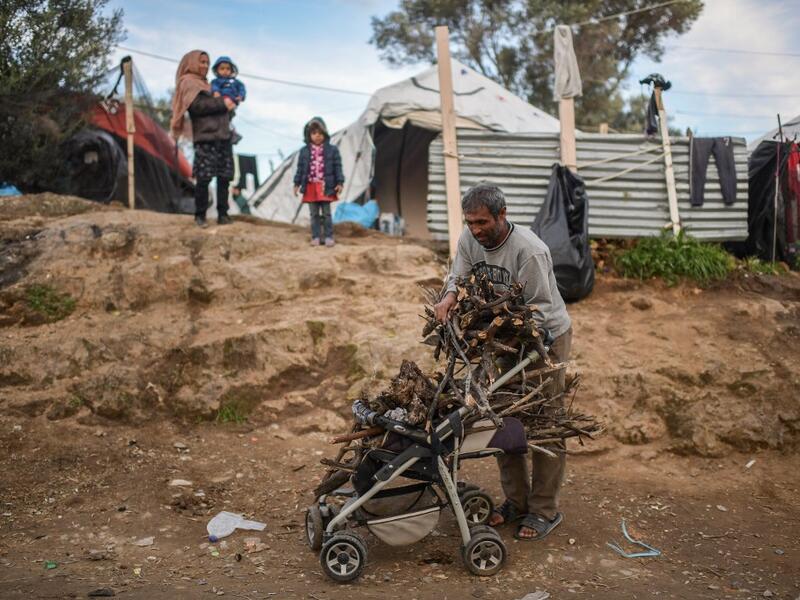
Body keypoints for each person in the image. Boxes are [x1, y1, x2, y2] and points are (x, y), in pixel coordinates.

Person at [433, 183, 572, 541]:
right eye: (470, 222)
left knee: (545, 424)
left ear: (502, 215)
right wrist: (449, 297)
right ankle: (516, 501)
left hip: (545, 341)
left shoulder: (529, 251)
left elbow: (541, 309)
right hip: (502, 338)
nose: (476, 229)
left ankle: (543, 510)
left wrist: (508, 338)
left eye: (482, 222)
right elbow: (458, 275)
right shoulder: (470, 238)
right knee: (503, 420)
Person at [170, 50, 236, 228]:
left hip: (223, 135)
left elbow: (228, 108)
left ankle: (223, 214)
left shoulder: (213, 84)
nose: (205, 66)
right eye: (202, 62)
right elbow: (197, 107)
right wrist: (223, 103)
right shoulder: (188, 83)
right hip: (205, 137)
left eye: (207, 63)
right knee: (204, 178)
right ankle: (200, 215)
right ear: (191, 63)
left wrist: (232, 104)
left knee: (224, 177)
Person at [292, 117, 344, 247]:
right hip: (310, 186)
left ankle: (328, 237)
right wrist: (296, 184)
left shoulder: (332, 150)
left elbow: (338, 166)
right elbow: (300, 169)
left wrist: (340, 182)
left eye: (320, 133)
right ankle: (315, 236)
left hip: (325, 186)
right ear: (309, 135)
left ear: (325, 134)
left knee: (326, 213)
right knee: (314, 213)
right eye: (314, 133)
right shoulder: (304, 151)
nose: (317, 136)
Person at [210, 56, 246, 144]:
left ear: (232, 70)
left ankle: (232, 133)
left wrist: (241, 96)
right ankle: (230, 133)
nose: (225, 71)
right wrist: (216, 92)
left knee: (227, 118)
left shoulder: (236, 82)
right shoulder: (216, 81)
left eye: (228, 69)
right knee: (222, 119)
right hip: (221, 101)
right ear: (217, 70)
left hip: (232, 101)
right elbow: (214, 87)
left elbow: (242, 89)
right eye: (222, 69)